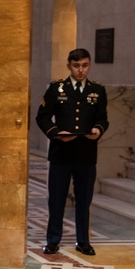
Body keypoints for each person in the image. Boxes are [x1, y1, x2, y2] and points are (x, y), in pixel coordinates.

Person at [35, 48, 109, 256]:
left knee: (84, 200)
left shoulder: (98, 91)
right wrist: (56, 133)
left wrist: (98, 130)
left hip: (86, 153)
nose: (81, 70)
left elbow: (103, 119)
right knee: (56, 199)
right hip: (61, 153)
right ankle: (53, 240)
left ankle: (83, 241)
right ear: (69, 66)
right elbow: (42, 117)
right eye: (76, 66)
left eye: (85, 65)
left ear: (89, 65)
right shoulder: (56, 89)